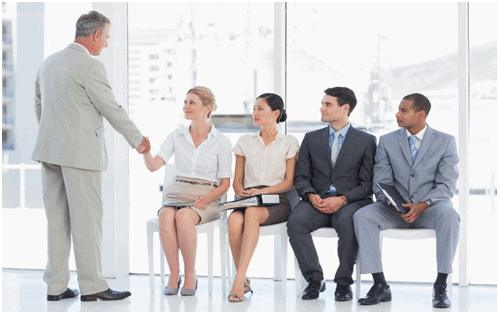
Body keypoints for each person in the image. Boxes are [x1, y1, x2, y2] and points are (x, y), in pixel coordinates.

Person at [32, 11, 150, 302]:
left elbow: (39, 104)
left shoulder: (49, 63)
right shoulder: (89, 66)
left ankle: (55, 286)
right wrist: (138, 140)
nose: (106, 44)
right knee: (87, 222)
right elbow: (110, 107)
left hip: (49, 151)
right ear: (95, 35)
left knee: (57, 222)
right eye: (106, 37)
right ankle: (93, 285)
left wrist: (53, 133)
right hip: (81, 155)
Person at [353, 93, 460, 308]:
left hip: (429, 208)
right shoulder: (387, 141)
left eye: (404, 111)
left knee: (450, 216)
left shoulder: (446, 142)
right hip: (394, 209)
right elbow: (381, 181)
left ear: (420, 114)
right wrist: (394, 203)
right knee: (362, 216)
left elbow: (447, 185)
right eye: (398, 110)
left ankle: (441, 285)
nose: (397, 114)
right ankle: (379, 284)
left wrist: (423, 204)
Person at [287, 87, 377, 301]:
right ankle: (314, 279)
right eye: (322, 103)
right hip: (316, 199)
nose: (322, 108)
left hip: (351, 201)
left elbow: (368, 184)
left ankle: (344, 282)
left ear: (345, 108)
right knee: (295, 223)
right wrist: (310, 195)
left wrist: (343, 199)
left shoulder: (366, 141)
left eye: (327, 104)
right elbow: (302, 177)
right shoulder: (311, 138)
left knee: (349, 222)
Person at [143, 86, 232, 297]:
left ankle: (190, 274)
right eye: (185, 102)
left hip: (207, 196)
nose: (186, 106)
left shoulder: (221, 141)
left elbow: (225, 183)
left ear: (207, 108)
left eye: (192, 102)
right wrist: (146, 152)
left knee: (183, 216)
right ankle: (174, 275)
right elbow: (154, 165)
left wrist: (206, 198)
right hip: (177, 192)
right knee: (166, 215)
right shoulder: (177, 135)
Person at [227, 93, 299, 302]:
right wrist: (241, 191)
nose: (255, 113)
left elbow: (288, 182)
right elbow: (237, 180)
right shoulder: (244, 141)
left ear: (276, 113)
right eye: (254, 109)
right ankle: (244, 278)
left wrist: (263, 192)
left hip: (276, 199)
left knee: (250, 214)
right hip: (248, 198)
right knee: (233, 219)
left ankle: (238, 280)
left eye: (260, 109)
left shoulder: (289, 142)